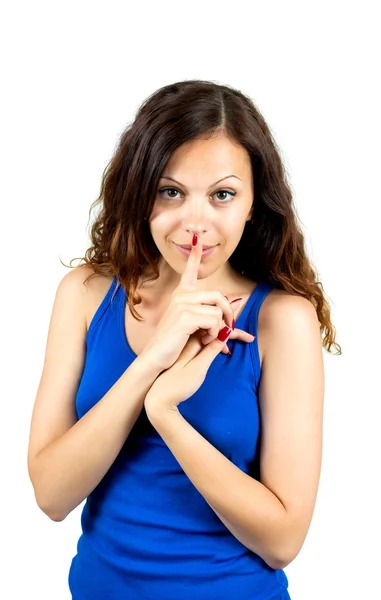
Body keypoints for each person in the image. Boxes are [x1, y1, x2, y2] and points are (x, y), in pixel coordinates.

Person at [27, 79, 340, 600]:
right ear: (140, 193)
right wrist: (152, 360)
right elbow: (52, 495)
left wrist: (166, 413)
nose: (196, 223)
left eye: (222, 195)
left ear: (252, 205)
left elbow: (283, 541)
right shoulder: (85, 295)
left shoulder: (282, 321)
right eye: (171, 192)